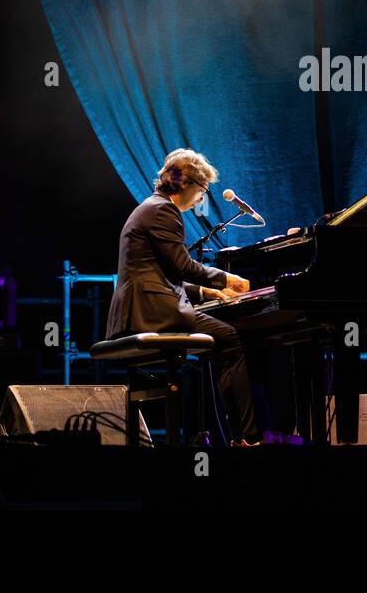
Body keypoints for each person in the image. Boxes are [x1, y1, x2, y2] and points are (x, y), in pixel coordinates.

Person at [105, 148, 261, 446]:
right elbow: (182, 266)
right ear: (187, 184)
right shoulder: (164, 211)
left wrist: (208, 291)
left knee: (220, 343)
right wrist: (227, 278)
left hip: (140, 309)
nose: (202, 198)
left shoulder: (150, 207)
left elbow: (161, 271)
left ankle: (234, 436)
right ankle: (247, 439)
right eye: (202, 190)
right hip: (152, 312)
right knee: (230, 341)